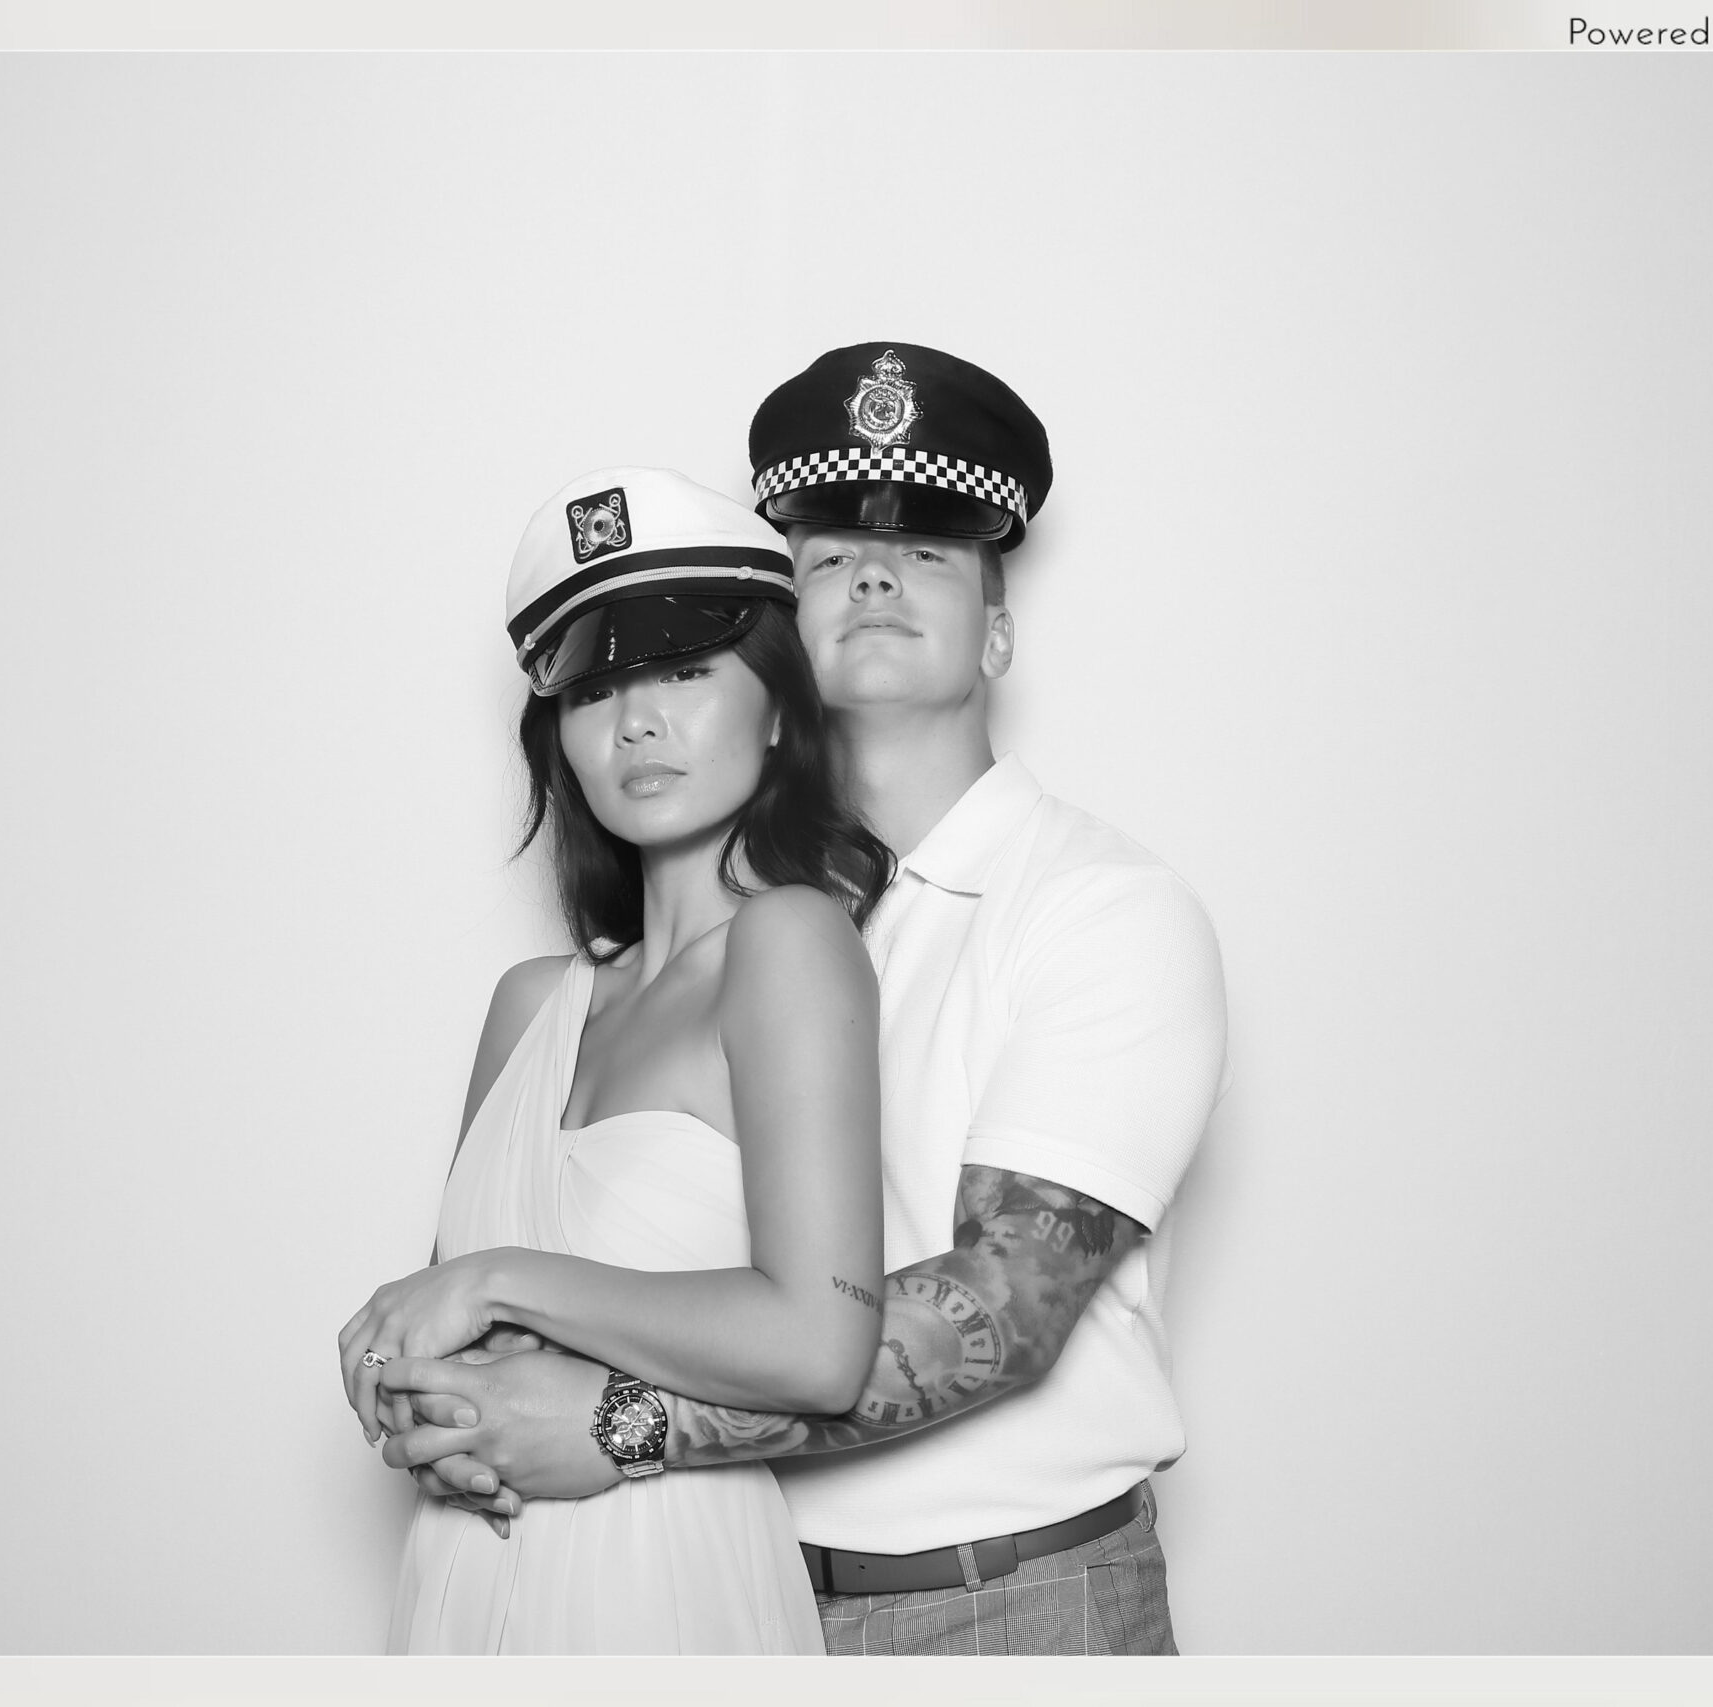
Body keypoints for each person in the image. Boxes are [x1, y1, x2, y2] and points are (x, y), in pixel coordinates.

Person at [377, 346, 1230, 1656]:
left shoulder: (1101, 907)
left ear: (1002, 629)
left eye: (932, 551)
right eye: (828, 554)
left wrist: (622, 1425)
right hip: (730, 1588)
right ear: (776, 633)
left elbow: (1004, 1310)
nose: (876, 574)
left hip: (1004, 1598)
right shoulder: (711, 929)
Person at [337, 466, 896, 1654]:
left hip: (663, 1589)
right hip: (461, 1583)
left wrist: (495, 1277)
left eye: (686, 671)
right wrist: (397, 1389)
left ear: (781, 707)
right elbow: (444, 1349)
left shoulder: (790, 943)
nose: (636, 721)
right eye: (594, 688)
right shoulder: (530, 1006)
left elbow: (819, 1343)